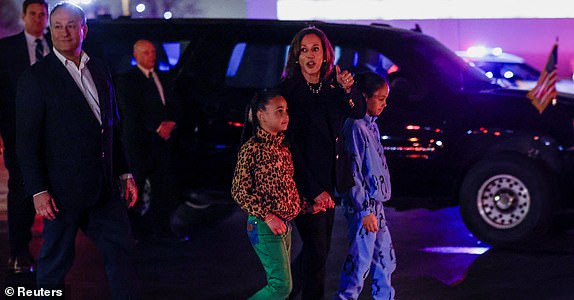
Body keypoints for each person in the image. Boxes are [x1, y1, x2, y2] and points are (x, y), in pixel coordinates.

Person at [15, 2, 139, 298]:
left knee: (122, 254)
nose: (63, 32)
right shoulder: (36, 78)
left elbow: (111, 128)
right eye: (57, 26)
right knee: (54, 264)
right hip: (61, 191)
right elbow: (27, 141)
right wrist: (38, 190)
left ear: (84, 29)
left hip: (104, 188)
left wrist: (124, 172)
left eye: (71, 25)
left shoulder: (98, 67)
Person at [279, 26, 366, 300]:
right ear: (296, 56)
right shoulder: (288, 92)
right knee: (317, 250)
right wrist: (313, 189)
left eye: (315, 49)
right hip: (302, 181)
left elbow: (359, 110)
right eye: (303, 50)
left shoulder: (332, 87)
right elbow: (290, 147)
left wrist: (348, 89)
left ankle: (285, 292)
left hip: (329, 180)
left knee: (320, 250)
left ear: (325, 54)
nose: (310, 55)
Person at [231, 90, 302, 300]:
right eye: (279, 111)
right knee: (281, 286)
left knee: (281, 286)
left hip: (284, 225)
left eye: (286, 111)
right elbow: (239, 190)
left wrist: (305, 205)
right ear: (261, 115)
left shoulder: (282, 148)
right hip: (263, 225)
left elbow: (286, 189)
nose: (285, 116)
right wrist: (268, 216)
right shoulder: (252, 149)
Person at [335, 72, 396, 300]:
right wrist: (365, 210)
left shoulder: (372, 126)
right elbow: (353, 171)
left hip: (376, 205)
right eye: (379, 98)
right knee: (359, 265)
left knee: (385, 260)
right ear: (364, 96)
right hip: (364, 207)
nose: (384, 104)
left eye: (385, 99)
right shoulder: (355, 127)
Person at [0, 0, 50, 274]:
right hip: (19, 134)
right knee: (22, 190)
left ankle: (53, 250)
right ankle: (19, 252)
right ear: (23, 16)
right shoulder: (6, 49)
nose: (38, 19)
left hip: (53, 133)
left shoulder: (56, 47)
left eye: (43, 14)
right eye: (33, 14)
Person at [116, 39, 182, 239]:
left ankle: (162, 228)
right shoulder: (127, 79)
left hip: (162, 143)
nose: (151, 56)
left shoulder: (163, 77)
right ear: (135, 56)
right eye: (145, 53)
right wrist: (156, 126)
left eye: (153, 52)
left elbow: (175, 103)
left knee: (163, 186)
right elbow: (131, 110)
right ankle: (132, 231)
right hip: (139, 143)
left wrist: (172, 123)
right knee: (136, 186)